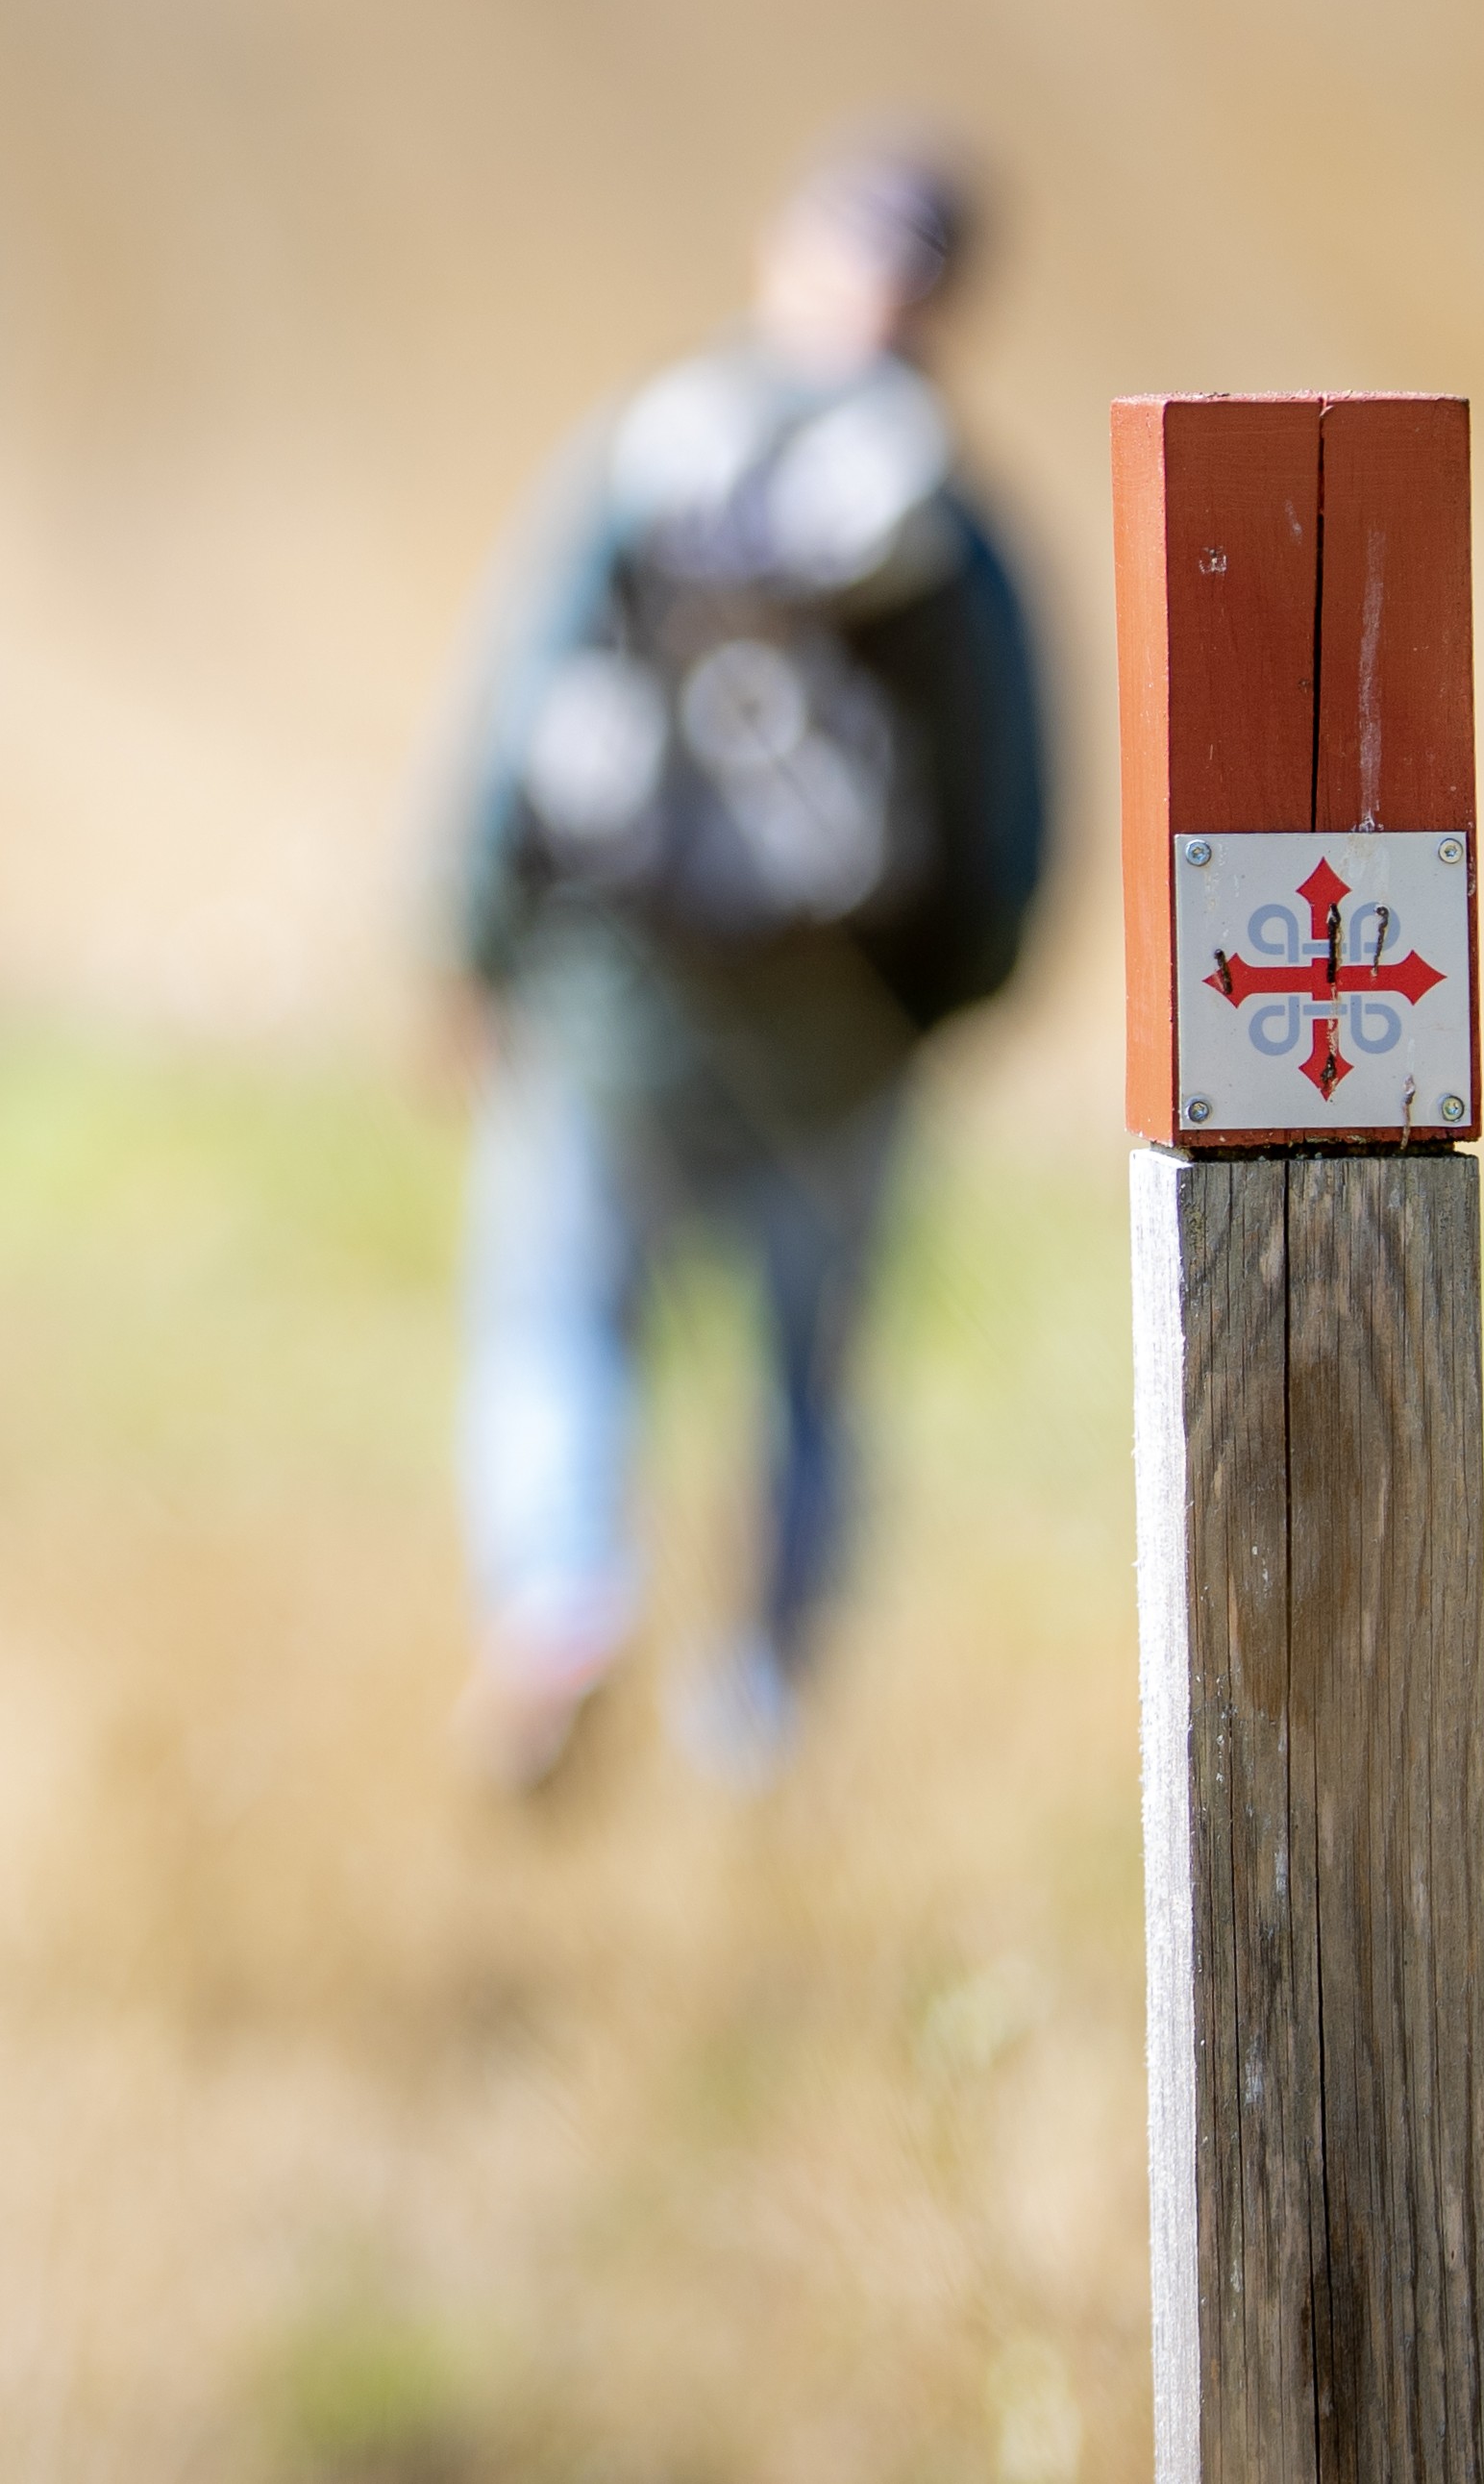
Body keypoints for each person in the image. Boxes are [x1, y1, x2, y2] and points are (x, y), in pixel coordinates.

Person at [443, 137, 1053, 1793]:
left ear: (784, 245)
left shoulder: (650, 453)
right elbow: (1008, 804)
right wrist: (941, 1001)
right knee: (809, 1386)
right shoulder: (948, 519)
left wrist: (475, 943)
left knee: (561, 1323)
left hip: (613, 996)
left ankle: (562, 1595)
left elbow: (515, 712)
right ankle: (759, 1718)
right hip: (842, 1029)